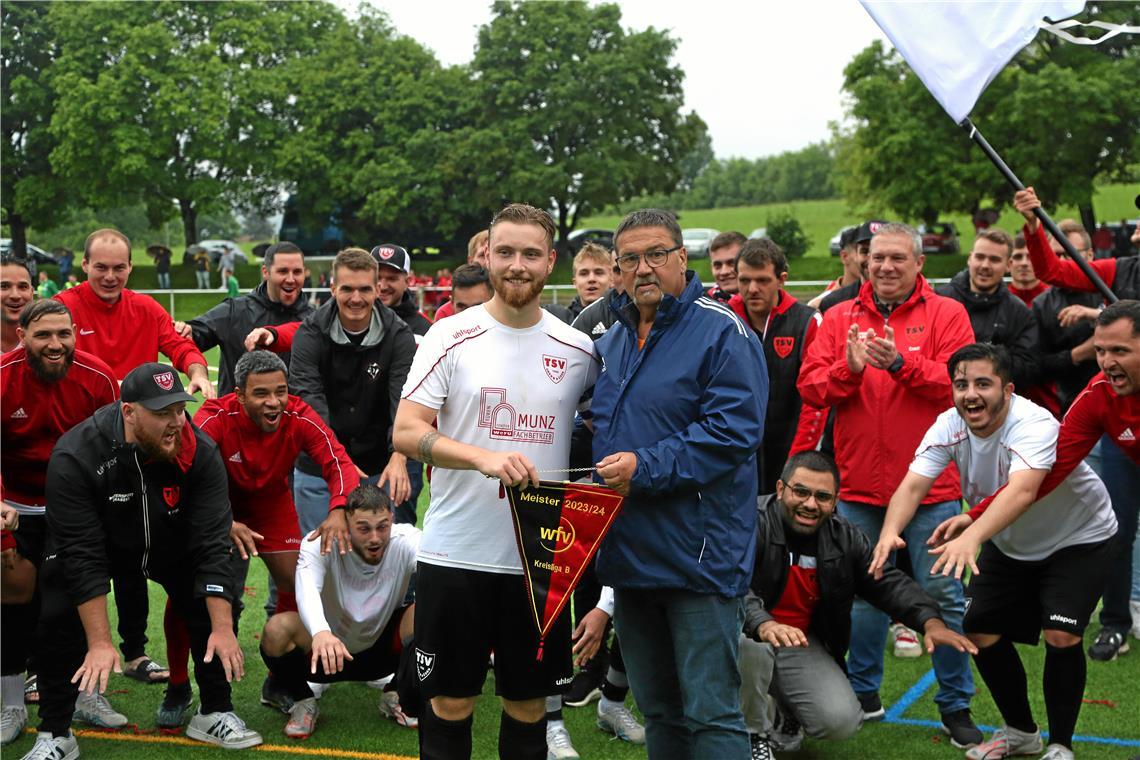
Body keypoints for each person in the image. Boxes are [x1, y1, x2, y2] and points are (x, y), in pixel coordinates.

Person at [392, 203, 598, 760]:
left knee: (529, 707)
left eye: (531, 253)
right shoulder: (450, 335)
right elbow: (407, 432)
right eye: (504, 252)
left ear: (550, 261)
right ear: (486, 256)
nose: (516, 265)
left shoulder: (578, 351)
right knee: (449, 704)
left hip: (539, 561)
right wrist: (481, 457)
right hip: (456, 553)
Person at [875, 343, 1118, 760]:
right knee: (978, 628)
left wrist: (972, 533)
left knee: (1060, 633)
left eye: (983, 384)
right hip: (1009, 539)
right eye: (961, 384)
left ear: (1007, 390)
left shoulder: (1034, 422)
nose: (970, 394)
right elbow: (913, 484)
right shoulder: (948, 424)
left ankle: (1061, 745)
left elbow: (1024, 491)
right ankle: (1021, 733)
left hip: (1078, 537)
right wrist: (888, 533)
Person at [590, 208, 767, 759]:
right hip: (632, 557)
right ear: (617, 269)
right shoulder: (614, 339)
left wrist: (644, 466)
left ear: (680, 260)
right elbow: (601, 425)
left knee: (712, 715)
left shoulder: (722, 331)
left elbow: (732, 432)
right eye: (630, 259)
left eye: (656, 255)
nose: (643, 269)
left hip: (699, 558)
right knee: (659, 710)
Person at [797, 222, 980, 746]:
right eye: (877, 258)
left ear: (919, 263)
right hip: (855, 488)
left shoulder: (947, 313)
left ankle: (955, 704)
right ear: (863, 260)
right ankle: (863, 692)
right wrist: (848, 371)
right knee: (857, 596)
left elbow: (960, 386)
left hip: (931, 488)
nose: (885, 267)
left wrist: (902, 364)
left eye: (898, 258)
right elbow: (811, 387)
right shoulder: (836, 317)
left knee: (943, 594)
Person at [25, 363, 262, 759]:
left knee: (214, 601)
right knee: (57, 603)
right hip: (102, 546)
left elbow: (209, 545)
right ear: (129, 412)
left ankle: (214, 711)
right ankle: (56, 732)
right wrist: (99, 642)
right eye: (161, 413)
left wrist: (223, 627)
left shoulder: (199, 450)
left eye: (179, 410)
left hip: (171, 545)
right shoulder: (76, 453)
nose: (175, 423)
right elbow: (82, 554)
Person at [151, 351, 361, 728]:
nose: (274, 402)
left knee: (297, 582)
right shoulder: (214, 416)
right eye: (261, 394)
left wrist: (338, 509)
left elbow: (337, 459)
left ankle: (279, 679)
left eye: (280, 391)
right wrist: (224, 521)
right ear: (239, 395)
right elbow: (186, 474)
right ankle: (178, 685)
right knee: (189, 593)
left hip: (270, 504)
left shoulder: (298, 414)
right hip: (217, 507)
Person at [741, 451, 976, 759]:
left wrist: (929, 620)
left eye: (822, 497)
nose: (811, 504)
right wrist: (764, 623)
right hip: (743, 634)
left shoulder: (844, 537)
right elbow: (732, 590)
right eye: (801, 491)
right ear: (781, 488)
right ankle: (753, 733)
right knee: (751, 646)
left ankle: (784, 714)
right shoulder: (749, 522)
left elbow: (887, 583)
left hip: (798, 640)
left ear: (836, 500)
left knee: (839, 720)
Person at [56, 227, 214, 684]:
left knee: (132, 550)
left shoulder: (145, 307)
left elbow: (181, 346)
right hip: (81, 448)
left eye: (119, 267)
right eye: (100, 267)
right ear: (85, 265)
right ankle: (65, 654)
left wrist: (197, 372)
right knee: (75, 554)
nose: (110, 275)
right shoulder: (65, 305)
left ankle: (134, 652)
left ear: (130, 267)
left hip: (138, 445)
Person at [1015, 190, 1140, 662]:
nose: (1135, 232)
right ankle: (1114, 624)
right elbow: (1055, 271)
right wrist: (1032, 227)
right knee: (1118, 527)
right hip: (1122, 425)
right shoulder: (1124, 268)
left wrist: (1096, 316)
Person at [1, 300, 120, 746]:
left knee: (73, 603)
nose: (55, 345)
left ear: (75, 333)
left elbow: (115, 447)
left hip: (77, 509)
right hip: (15, 505)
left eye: (63, 335)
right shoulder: (2, 376)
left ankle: (90, 692)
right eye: (43, 335)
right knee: (13, 604)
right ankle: (11, 704)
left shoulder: (99, 376)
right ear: (22, 337)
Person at [258, 484, 420, 739]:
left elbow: (440, 570)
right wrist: (321, 632)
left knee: (431, 611)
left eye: (382, 526)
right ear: (346, 524)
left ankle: (398, 691)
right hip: (324, 655)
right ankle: (303, 700)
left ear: (392, 520)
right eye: (364, 528)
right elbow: (306, 589)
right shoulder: (319, 542)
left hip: (383, 652)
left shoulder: (406, 540)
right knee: (277, 630)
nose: (375, 537)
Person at [288, 248, 417, 541]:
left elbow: (404, 400)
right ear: (333, 288)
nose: (355, 298)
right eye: (347, 289)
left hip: (379, 465)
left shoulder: (398, 335)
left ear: (376, 290)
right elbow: (310, 402)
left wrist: (399, 455)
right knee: (316, 555)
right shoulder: (309, 333)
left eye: (364, 289)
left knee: (379, 559)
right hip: (319, 465)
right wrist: (337, 461)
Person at [727, 238, 825, 493]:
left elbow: (814, 400)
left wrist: (797, 461)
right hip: (736, 454)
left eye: (762, 280)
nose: (752, 289)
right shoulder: (724, 320)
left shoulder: (807, 322)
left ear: (781, 279)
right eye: (745, 280)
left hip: (789, 448)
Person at [178, 241, 311, 402]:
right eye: (283, 271)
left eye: (297, 272)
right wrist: (186, 331)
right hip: (235, 423)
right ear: (265, 272)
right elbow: (193, 334)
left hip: (293, 424)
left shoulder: (314, 320)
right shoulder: (234, 311)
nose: (291, 279)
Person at [936, 228, 1039, 392]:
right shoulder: (938, 300)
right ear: (970, 258)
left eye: (994, 259)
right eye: (980, 257)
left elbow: (1026, 369)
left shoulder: (1019, 313)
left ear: (1008, 265)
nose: (985, 265)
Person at [816, 220, 886, 314]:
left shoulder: (910, 300)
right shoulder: (831, 304)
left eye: (881, 253)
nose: (872, 260)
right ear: (856, 254)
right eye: (865, 251)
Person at [372, 244, 433, 339]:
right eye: (377, 278)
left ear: (407, 282)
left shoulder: (426, 330)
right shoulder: (351, 322)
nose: (383, 287)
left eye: (391, 279)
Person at [432, 230, 490, 320]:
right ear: (470, 261)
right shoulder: (445, 314)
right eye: (482, 255)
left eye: (493, 255)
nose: (488, 261)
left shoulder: (514, 305)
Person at [567, 242, 614, 320]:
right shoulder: (563, 323)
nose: (591, 279)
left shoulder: (622, 322)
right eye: (584, 274)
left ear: (611, 280)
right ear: (575, 283)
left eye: (598, 273)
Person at [1, 256, 35, 353]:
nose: (15, 295)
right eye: (4, 286)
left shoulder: (48, 344)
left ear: (31, 293)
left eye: (22, 287)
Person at [1007, 233, 1049, 309]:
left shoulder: (1054, 299)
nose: (1024, 263)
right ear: (1008, 264)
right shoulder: (999, 300)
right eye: (1018, 257)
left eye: (1031, 257)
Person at [708, 231, 746, 302]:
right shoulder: (702, 307)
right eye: (718, 265)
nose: (724, 272)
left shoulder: (768, 305)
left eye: (732, 263)